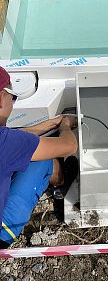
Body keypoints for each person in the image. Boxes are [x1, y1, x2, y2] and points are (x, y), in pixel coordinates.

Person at [0, 66, 78, 248]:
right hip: (1, 231)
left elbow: (14, 138)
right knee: (42, 160)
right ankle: (60, 179)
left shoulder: (6, 142)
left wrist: (51, 123)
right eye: (13, 96)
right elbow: (69, 146)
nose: (13, 101)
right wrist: (65, 126)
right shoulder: (5, 143)